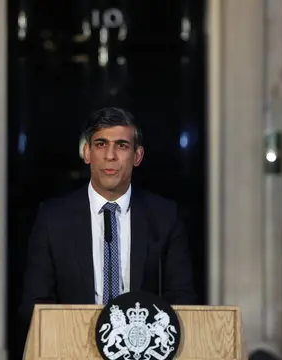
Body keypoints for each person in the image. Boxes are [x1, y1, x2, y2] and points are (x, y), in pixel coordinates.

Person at [17, 107, 198, 340]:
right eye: (101, 144)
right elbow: (34, 305)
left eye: (121, 145)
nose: (110, 155)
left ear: (137, 156)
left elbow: (182, 300)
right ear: (87, 153)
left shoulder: (165, 217)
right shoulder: (53, 218)